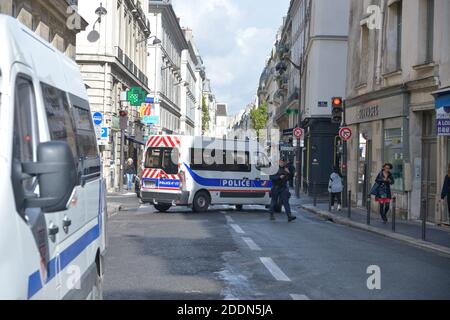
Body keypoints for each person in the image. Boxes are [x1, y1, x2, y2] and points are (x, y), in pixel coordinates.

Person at [269, 158, 297, 222]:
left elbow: (290, 178)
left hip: (283, 188)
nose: (282, 163)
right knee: (274, 201)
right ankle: (271, 214)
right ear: (278, 162)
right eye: (280, 162)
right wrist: (279, 177)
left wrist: (289, 173)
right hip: (275, 187)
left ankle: (289, 216)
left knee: (285, 202)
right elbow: (271, 177)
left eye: (283, 162)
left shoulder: (286, 168)